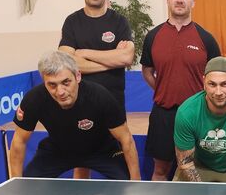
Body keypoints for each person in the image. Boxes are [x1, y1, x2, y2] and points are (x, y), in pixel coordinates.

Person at [9, 51, 141, 180]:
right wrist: (16, 182)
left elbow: (126, 139)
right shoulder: (34, 99)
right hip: (58, 150)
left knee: (125, 181)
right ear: (44, 82)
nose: (60, 92)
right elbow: (19, 141)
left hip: (101, 150)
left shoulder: (100, 97)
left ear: (78, 76)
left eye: (66, 82)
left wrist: (136, 180)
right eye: (52, 85)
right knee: (29, 183)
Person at [59, 0, 134, 179]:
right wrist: (111, 60)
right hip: (80, 106)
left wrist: (84, 53)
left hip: (113, 105)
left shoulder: (119, 22)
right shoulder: (72, 22)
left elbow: (126, 57)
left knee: (119, 168)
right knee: (81, 165)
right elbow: (66, 62)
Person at [140, 0, 221, 181]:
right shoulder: (153, 36)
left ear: (193, 2)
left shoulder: (206, 38)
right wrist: (162, 89)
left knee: (197, 171)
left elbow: (217, 76)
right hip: (163, 116)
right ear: (167, 0)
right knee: (160, 170)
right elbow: (147, 71)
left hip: (199, 116)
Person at [173, 57, 226, 183]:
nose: (218, 92)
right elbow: (186, 163)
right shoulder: (187, 112)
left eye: (224, 84)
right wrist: (202, 191)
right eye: (212, 84)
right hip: (197, 167)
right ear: (204, 82)